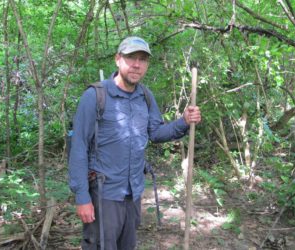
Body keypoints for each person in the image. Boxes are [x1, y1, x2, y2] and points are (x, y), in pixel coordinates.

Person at [69, 36, 202, 250]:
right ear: (118, 59)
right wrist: (82, 197)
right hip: (104, 194)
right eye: (131, 58)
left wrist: (184, 121)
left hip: (133, 193)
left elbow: (156, 133)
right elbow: (78, 149)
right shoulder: (95, 96)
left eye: (142, 59)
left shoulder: (145, 96)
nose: (137, 65)